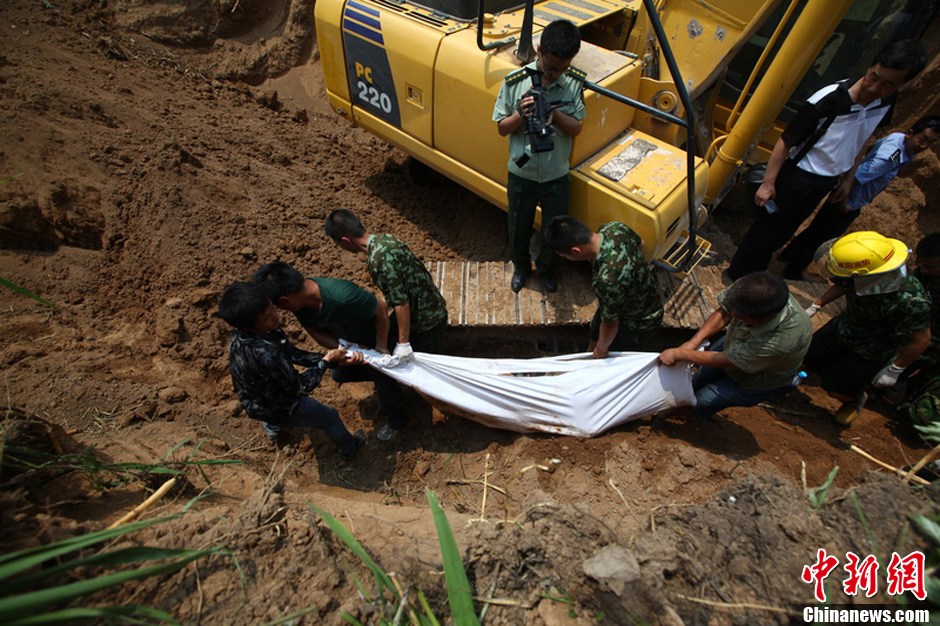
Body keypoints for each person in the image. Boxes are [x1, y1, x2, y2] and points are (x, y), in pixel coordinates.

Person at [727, 39, 927, 281]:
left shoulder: (885, 101)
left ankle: (756, 275)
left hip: (827, 180)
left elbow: (864, 138)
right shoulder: (832, 98)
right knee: (765, 230)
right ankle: (737, 276)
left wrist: (848, 179)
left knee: (786, 230)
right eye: (875, 77)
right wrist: (769, 183)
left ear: (902, 84)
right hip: (798, 175)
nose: (875, 88)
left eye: (888, 84)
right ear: (871, 66)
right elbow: (786, 141)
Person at [253, 261, 410, 442]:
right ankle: (382, 375)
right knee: (339, 374)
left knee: (385, 386)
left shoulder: (341, 296)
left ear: (284, 301)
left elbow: (381, 309)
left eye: (277, 307)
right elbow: (315, 332)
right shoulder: (300, 305)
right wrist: (344, 351)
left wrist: (381, 346)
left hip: (375, 343)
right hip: (353, 348)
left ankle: (398, 417)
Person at [779, 115, 940, 277]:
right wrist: (846, 203)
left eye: (930, 142)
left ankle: (787, 256)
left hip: (847, 198)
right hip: (847, 200)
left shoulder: (899, 141)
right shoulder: (889, 158)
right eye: (922, 139)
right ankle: (792, 270)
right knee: (821, 238)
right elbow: (859, 174)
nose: (924, 145)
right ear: (910, 133)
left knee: (816, 230)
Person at [217, 281, 365, 457]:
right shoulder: (266, 355)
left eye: (272, 308)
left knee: (270, 414)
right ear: (249, 325)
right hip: (283, 404)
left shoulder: (246, 334)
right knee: (329, 417)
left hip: (256, 398)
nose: (275, 316)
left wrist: (333, 360)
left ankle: (273, 429)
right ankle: (350, 448)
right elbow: (300, 387)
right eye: (267, 317)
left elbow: (292, 354)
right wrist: (326, 361)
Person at [492, 19, 586, 294]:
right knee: (518, 226)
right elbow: (501, 128)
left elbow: (577, 126)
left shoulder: (572, 84)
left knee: (555, 229)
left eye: (563, 69)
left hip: (555, 174)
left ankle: (546, 269)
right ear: (539, 51)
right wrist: (521, 114)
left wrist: (554, 115)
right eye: (551, 67)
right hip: (522, 174)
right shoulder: (515, 83)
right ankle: (521, 268)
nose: (556, 74)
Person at [802, 231, 931, 425]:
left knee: (834, 385)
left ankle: (854, 400)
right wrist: (817, 304)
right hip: (843, 328)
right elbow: (843, 284)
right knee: (803, 357)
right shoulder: (863, 264)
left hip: (871, 350)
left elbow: (921, 339)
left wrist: (895, 369)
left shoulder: (911, 301)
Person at [659, 272, 812, 418]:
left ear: (766, 318)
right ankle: (682, 403)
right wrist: (693, 343)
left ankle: (689, 415)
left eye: (740, 317)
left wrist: (680, 354)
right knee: (700, 377)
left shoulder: (783, 338)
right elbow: (725, 312)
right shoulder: (750, 289)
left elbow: (732, 360)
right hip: (732, 345)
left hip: (755, 379)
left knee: (704, 400)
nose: (733, 317)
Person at [324, 209, 448, 359]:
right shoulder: (386, 239)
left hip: (426, 323)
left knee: (430, 366)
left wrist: (403, 344)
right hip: (434, 307)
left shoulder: (379, 260)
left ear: (345, 240)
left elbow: (401, 303)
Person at [544, 215, 663, 358]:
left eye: (565, 256)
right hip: (619, 302)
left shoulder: (607, 279)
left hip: (639, 320)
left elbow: (611, 323)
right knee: (596, 331)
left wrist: (601, 350)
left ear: (576, 251)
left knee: (611, 354)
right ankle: (590, 351)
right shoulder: (614, 228)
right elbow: (641, 244)